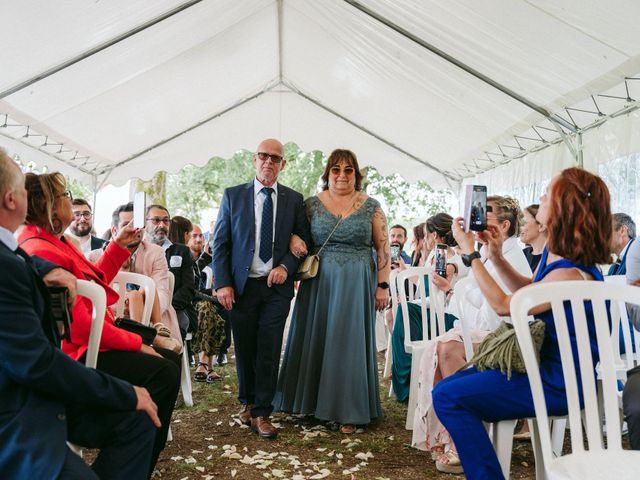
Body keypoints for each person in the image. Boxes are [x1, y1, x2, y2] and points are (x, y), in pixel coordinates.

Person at [432, 167, 611, 479]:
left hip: (558, 382)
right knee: (449, 388)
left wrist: (470, 255)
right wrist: (496, 255)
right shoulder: (557, 258)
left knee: (448, 397)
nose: (540, 198)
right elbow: (528, 291)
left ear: (563, 207)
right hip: (544, 370)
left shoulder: (570, 271)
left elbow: (505, 306)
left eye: (547, 193)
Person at [0, 150, 159, 479]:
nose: (72, 204)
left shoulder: (50, 244)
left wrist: (114, 248)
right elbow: (40, 360)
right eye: (66, 196)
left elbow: (92, 280)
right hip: (23, 411)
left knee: (143, 409)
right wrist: (126, 385)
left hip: (49, 372)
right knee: (160, 374)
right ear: (12, 199)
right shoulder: (33, 247)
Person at [274, 148, 390, 434]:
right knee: (316, 337)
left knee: (348, 341)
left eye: (348, 169)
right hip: (319, 282)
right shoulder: (311, 205)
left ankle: (348, 409)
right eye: (336, 169)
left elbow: (383, 248)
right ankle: (311, 404)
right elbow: (292, 232)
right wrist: (292, 240)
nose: (342, 175)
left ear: (356, 175)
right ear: (327, 174)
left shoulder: (372, 206)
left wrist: (383, 285)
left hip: (357, 282)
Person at [411, 196, 531, 473]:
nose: (476, 221)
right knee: (442, 344)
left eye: (484, 216)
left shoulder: (511, 257)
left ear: (503, 225)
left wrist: (457, 287)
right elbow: (476, 297)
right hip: (493, 332)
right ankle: (456, 435)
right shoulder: (493, 254)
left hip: (510, 339)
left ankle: (463, 441)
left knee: (448, 348)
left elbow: (496, 311)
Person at [213, 138, 309, 439]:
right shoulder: (233, 196)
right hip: (241, 287)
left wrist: (285, 267)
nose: (269, 162)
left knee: (268, 347)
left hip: (275, 288)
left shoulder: (294, 199)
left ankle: (262, 412)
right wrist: (223, 283)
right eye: (264, 156)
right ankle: (248, 401)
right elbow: (221, 243)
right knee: (244, 346)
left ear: (283, 164)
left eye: (275, 158)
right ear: (254, 160)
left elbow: (304, 244)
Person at [391, 213, 464, 402]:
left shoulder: (456, 258)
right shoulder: (434, 255)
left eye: (426, 234)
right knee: (405, 311)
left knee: (405, 313)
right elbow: (423, 286)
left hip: (447, 318)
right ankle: (410, 382)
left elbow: (440, 295)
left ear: (434, 235)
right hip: (431, 313)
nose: (425, 239)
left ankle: (406, 384)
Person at [105, 202, 182, 350]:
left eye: (137, 224)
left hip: (154, 317)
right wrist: (123, 308)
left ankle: (151, 336)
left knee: (148, 290)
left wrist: (144, 309)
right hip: (114, 318)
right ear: (115, 230)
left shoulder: (156, 252)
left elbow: (162, 292)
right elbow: (100, 295)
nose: (133, 229)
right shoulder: (98, 255)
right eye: (127, 225)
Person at [146, 205, 195, 340]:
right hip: (141, 305)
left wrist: (166, 306)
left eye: (166, 221)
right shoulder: (139, 250)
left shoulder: (181, 251)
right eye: (156, 220)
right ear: (145, 223)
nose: (162, 225)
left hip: (174, 306)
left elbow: (188, 287)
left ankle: (172, 360)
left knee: (179, 323)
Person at [188, 224, 225, 383]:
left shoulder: (195, 259)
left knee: (216, 315)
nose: (198, 239)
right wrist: (214, 297)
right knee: (208, 308)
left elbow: (196, 269)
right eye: (194, 236)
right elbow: (192, 292)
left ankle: (207, 367)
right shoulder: (180, 256)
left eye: (200, 236)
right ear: (185, 237)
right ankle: (204, 364)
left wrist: (207, 255)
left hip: (199, 303)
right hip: (185, 305)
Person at [520, 204, 547, 272]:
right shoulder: (522, 254)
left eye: (524, 222)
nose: (519, 226)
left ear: (541, 226)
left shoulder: (551, 259)